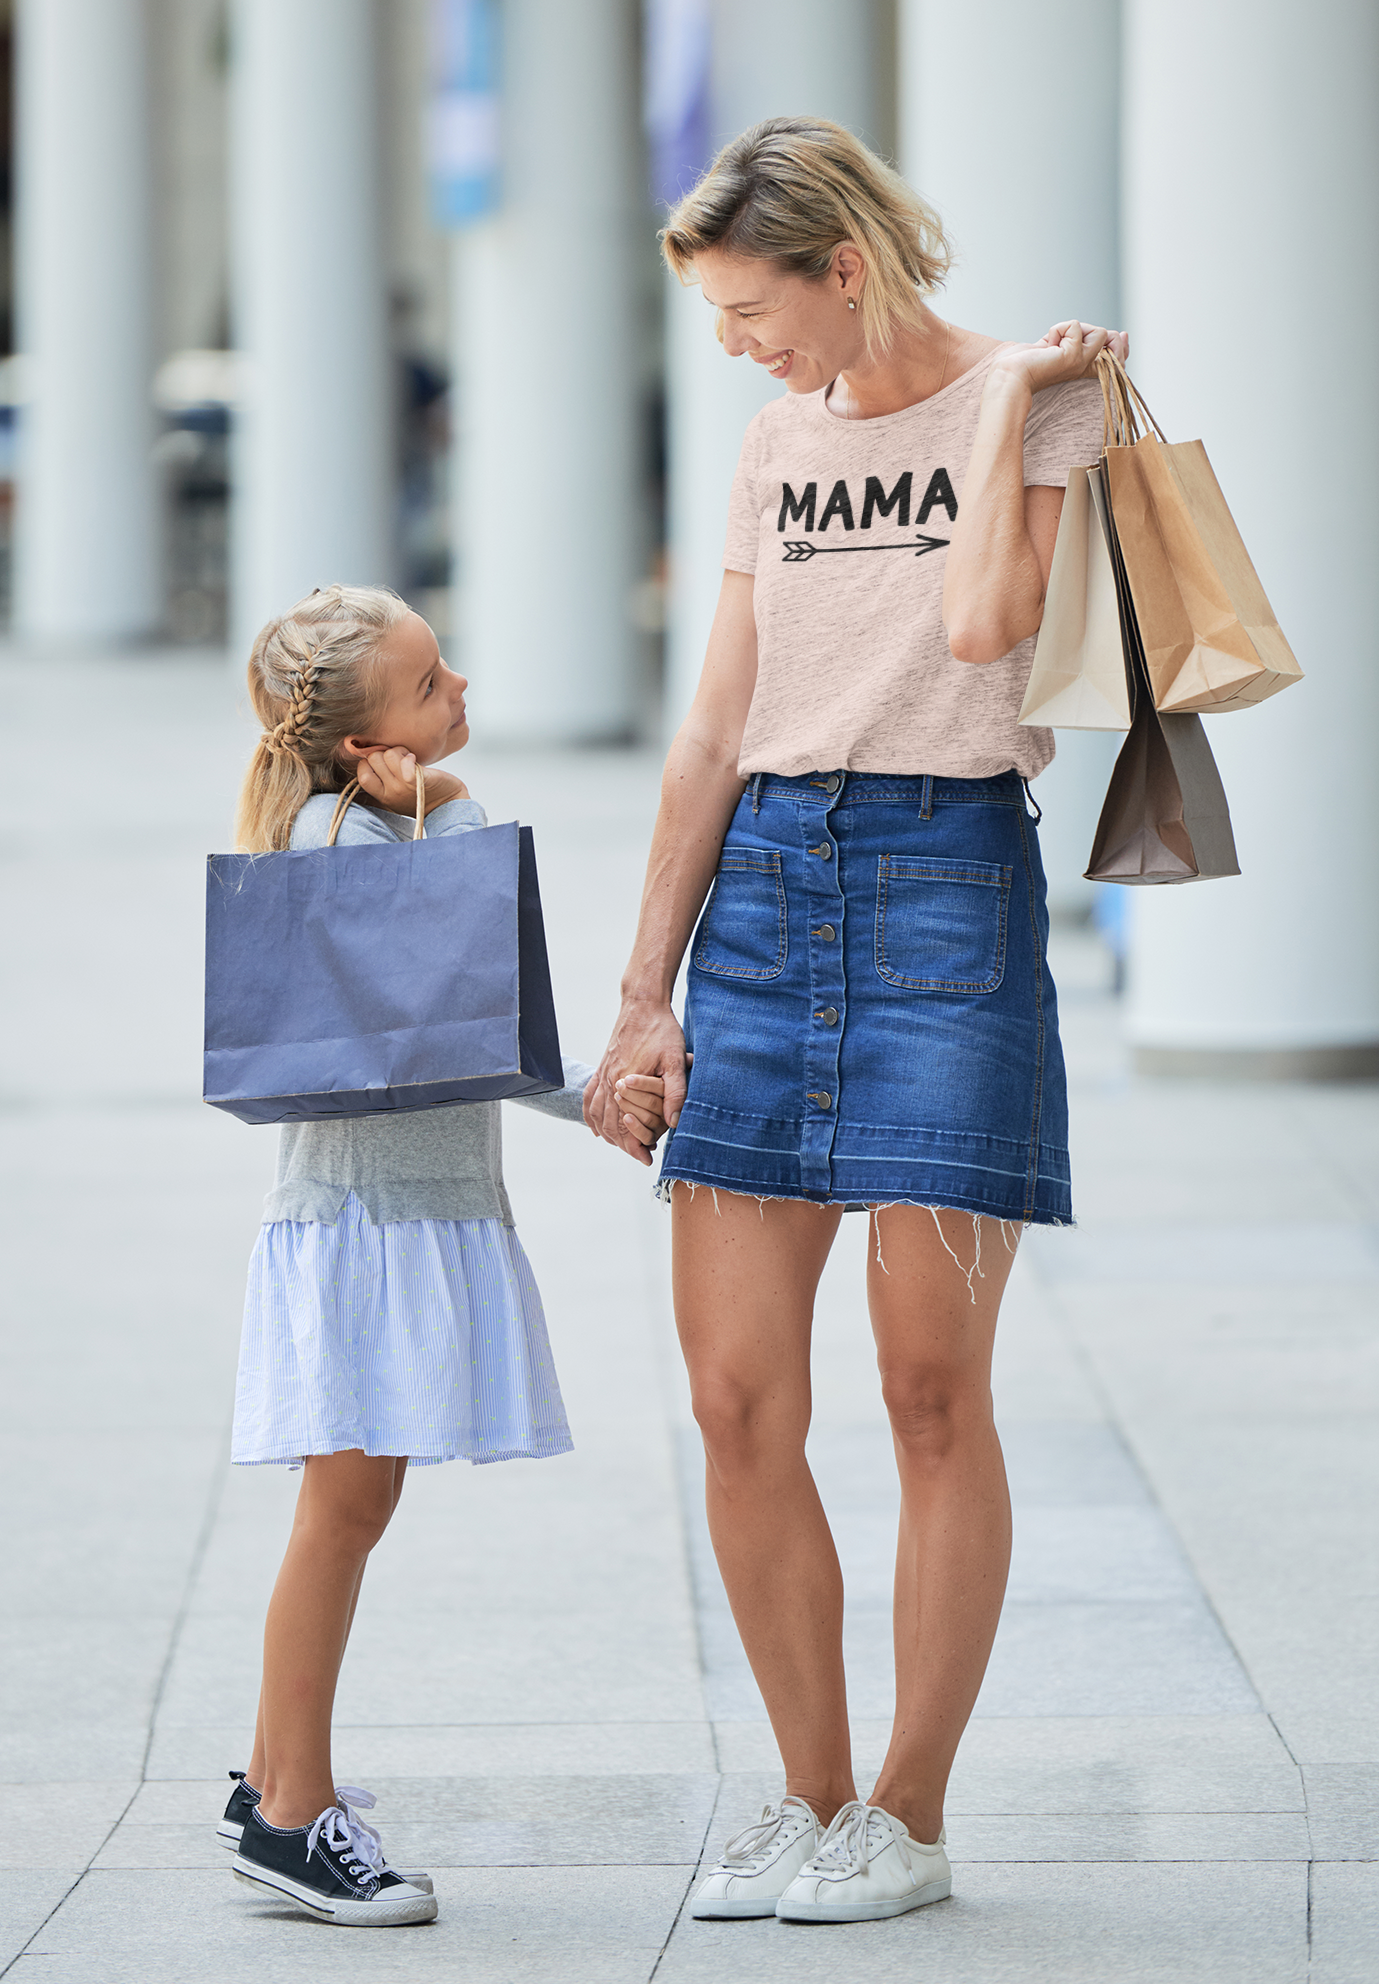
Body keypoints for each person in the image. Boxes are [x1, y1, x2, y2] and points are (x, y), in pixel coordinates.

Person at [586, 118, 1124, 1926]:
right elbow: (712, 729)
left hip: (943, 886)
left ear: (847, 267)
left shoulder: (1039, 399)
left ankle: (907, 1810)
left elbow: (985, 629)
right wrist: (644, 992)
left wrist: (992, 411)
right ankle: (807, 1798)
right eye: (719, 318)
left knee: (926, 1391)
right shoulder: (769, 441)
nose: (742, 345)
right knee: (737, 1398)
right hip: (761, 905)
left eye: (756, 309)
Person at [218, 584, 664, 1926]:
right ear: (366, 747)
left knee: (342, 1513)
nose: (457, 688)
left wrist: (594, 1095)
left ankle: (274, 1776)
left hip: (377, 1217)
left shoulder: (338, 823)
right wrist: (445, 800)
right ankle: (291, 1819)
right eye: (429, 686)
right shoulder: (369, 833)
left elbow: (463, 1029)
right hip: (375, 1224)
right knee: (342, 1516)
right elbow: (465, 1005)